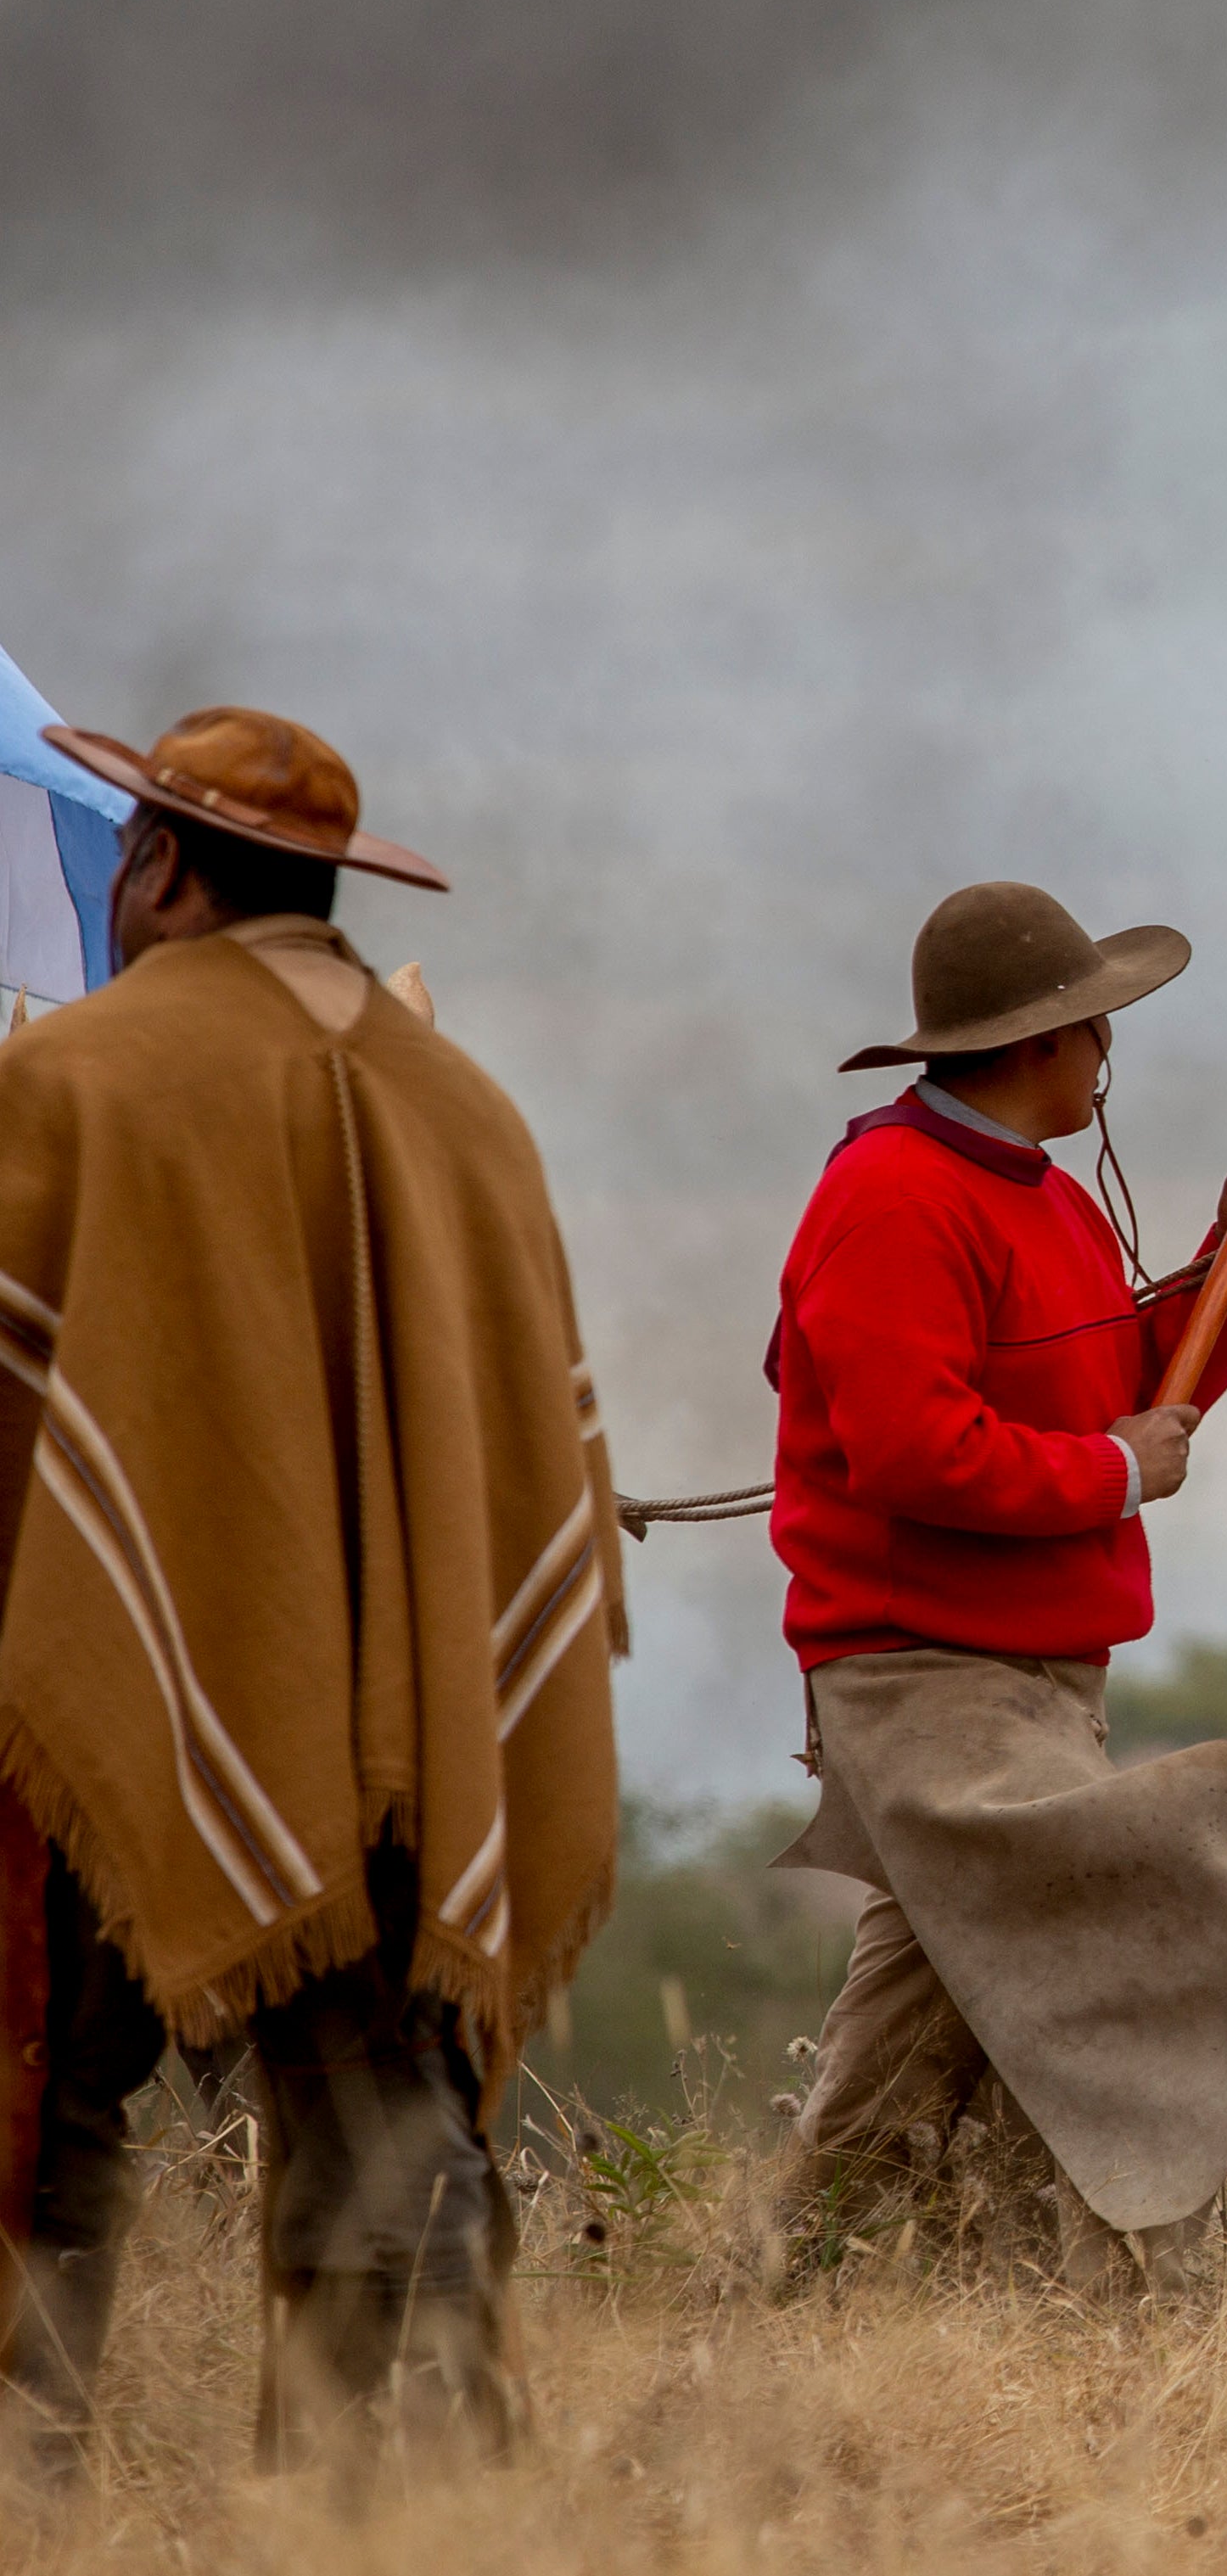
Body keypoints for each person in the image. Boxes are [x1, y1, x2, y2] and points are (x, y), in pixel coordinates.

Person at [0, 707, 619, 2474]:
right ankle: (392, 2513)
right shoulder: (465, 1103)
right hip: (412, 1717)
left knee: (47, 2108)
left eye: (127, 850)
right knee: (385, 2123)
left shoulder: (75, 1077)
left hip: (99, 1711)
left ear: (166, 867)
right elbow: (530, 1461)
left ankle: (25, 2494)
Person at [764, 878, 1227, 2283]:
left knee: (925, 2043)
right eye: (1092, 1026)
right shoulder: (892, 1195)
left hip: (1032, 1685)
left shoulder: (1044, 1199)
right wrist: (1112, 1476)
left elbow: (1136, 1387)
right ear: (1036, 1045)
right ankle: (1137, 2306)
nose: (1104, 1050)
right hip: (928, 1678)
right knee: (1132, 1932)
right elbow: (911, 1450)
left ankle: (782, 2305)